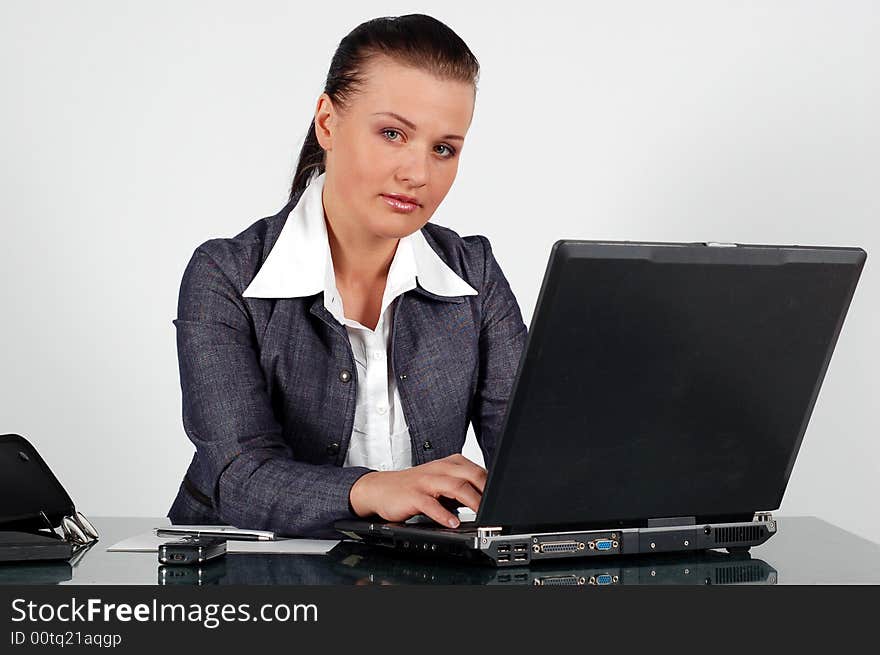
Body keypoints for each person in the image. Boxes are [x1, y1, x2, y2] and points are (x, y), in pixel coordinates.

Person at [167, 14, 527, 538]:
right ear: (327, 123)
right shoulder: (225, 274)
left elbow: (525, 457)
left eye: (443, 148)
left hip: (410, 577)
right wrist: (373, 488)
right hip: (244, 579)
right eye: (392, 133)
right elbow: (238, 475)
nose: (418, 172)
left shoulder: (474, 275)